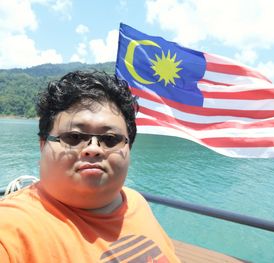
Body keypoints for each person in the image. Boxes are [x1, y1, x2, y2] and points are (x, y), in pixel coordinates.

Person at [0, 70, 180, 263]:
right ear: (43, 145)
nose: (93, 149)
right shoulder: (12, 229)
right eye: (74, 137)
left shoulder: (136, 202)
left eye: (111, 139)